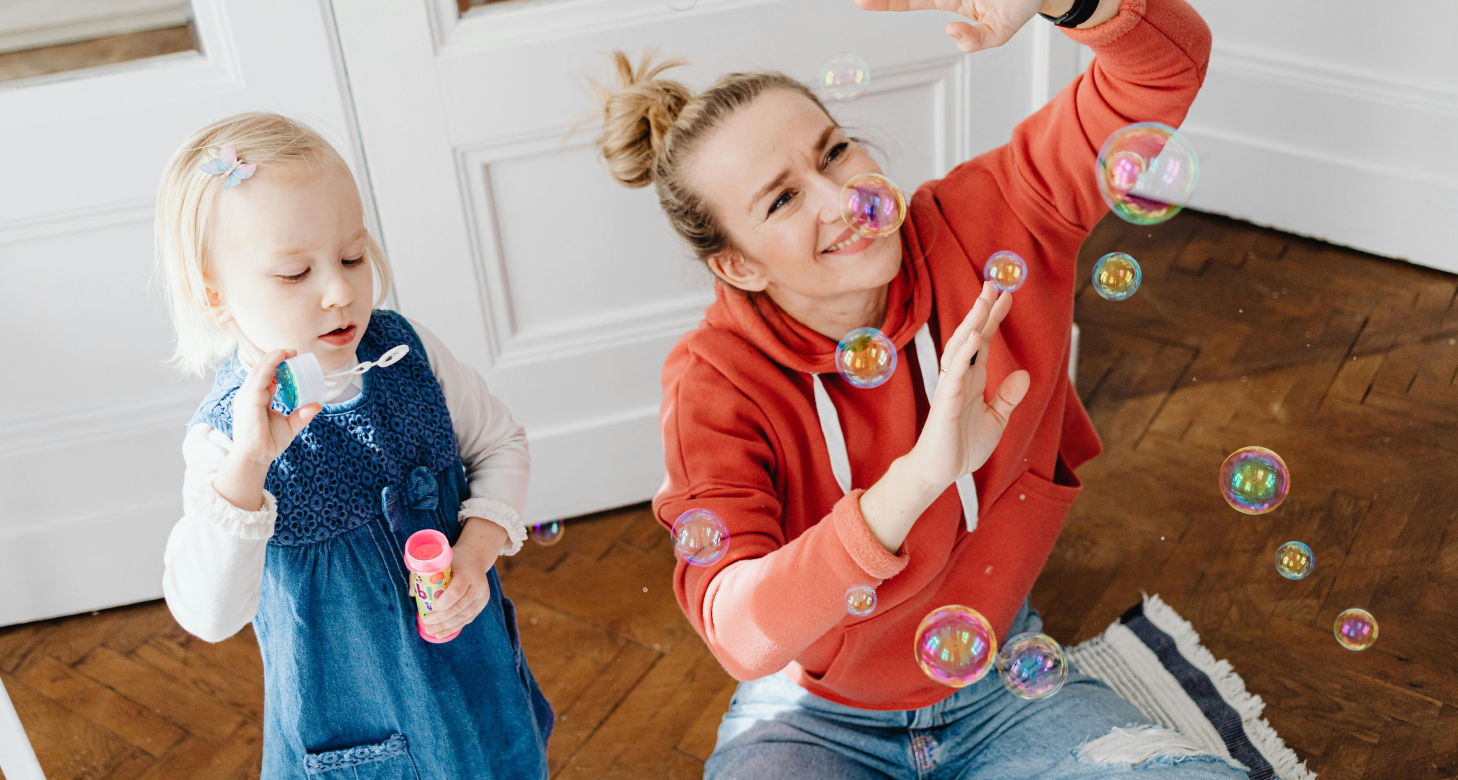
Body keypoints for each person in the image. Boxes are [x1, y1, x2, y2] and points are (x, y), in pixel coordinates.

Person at [595, 0, 1244, 776]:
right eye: (782, 199)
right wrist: (921, 477)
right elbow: (739, 631)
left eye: (834, 152)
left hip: (1003, 681)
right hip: (809, 716)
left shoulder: (989, 220)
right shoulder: (713, 384)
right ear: (739, 265)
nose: (843, 200)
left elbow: (1165, 67)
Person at [154, 112, 552, 778]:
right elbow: (209, 614)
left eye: (352, 257)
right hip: (358, 742)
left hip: (477, 689)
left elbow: (500, 443)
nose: (339, 291)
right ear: (214, 293)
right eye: (294, 273)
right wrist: (249, 466)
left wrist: (477, 552)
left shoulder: (408, 353)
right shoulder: (226, 441)